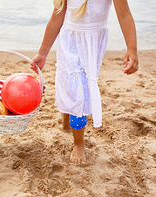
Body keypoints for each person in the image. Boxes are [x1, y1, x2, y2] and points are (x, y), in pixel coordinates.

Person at [30, 0, 138, 165]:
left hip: (93, 42)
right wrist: (43, 53)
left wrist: (132, 49)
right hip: (69, 39)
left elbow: (124, 15)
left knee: (80, 85)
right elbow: (56, 19)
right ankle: (78, 143)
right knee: (73, 85)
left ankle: (72, 125)